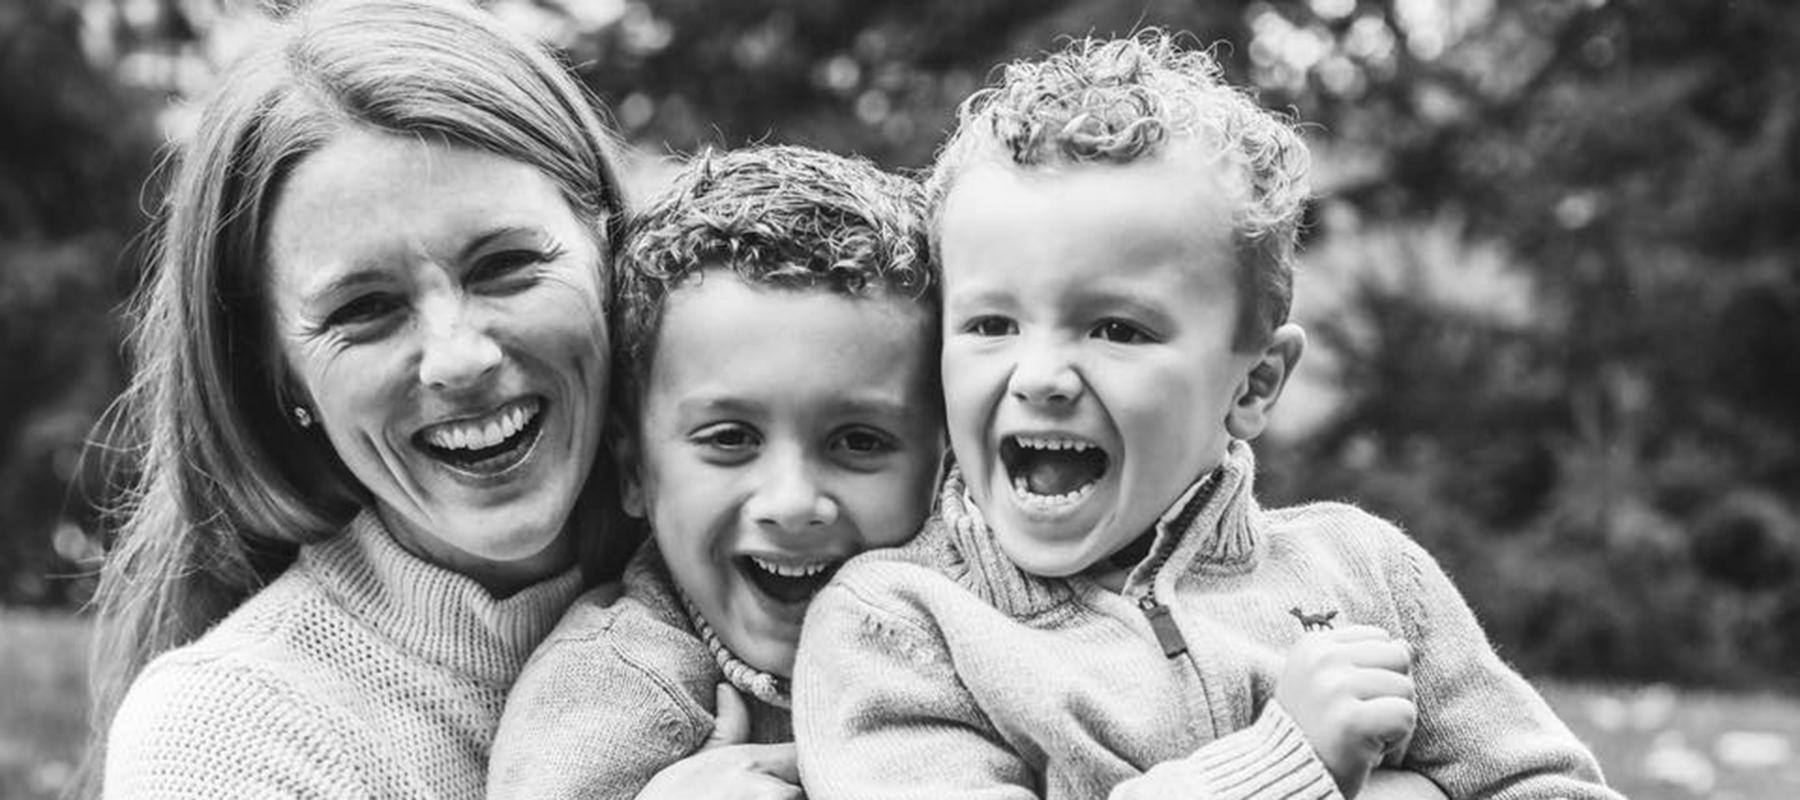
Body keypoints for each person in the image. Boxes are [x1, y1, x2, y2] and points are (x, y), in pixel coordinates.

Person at [792, 31, 1622, 800]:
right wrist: (1287, 766)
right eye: (990, 325)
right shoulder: (897, 628)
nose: (1039, 375)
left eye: (1117, 329)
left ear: (1254, 385)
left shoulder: (1366, 577)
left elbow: (1543, 784)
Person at [81, 1, 632, 797]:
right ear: (278, 374)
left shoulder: (778, 575)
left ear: (610, 250)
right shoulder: (228, 735)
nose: (460, 358)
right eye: (363, 310)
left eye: (505, 265)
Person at [487, 144, 943, 800]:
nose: (792, 503)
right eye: (731, 439)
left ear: (944, 456)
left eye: (859, 441)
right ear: (634, 471)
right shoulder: (608, 698)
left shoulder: (989, 618)